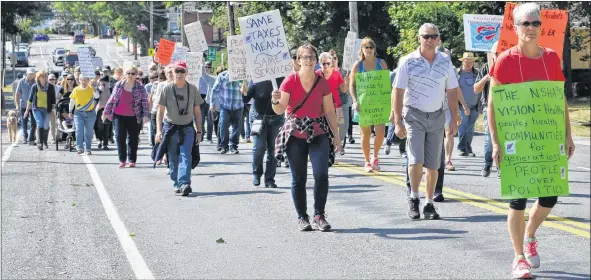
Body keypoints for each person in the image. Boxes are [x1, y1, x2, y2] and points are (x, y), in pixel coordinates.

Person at [487, 3, 575, 278]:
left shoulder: (551, 58)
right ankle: (519, 257)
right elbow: (492, 104)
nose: (532, 28)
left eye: (536, 23)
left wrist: (568, 134)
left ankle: (531, 233)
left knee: (550, 196)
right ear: (516, 27)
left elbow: (558, 98)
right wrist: (496, 142)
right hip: (516, 141)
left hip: (547, 139)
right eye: (526, 23)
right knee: (518, 199)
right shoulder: (506, 61)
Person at [392, 23, 460, 220]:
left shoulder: (445, 61)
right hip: (414, 114)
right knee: (416, 159)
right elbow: (398, 91)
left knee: (433, 164)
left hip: (437, 115)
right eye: (426, 36)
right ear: (419, 38)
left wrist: (454, 117)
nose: (430, 40)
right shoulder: (408, 61)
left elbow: (452, 90)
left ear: (438, 39)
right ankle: (414, 197)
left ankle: (429, 203)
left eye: (433, 36)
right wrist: (397, 121)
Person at [273, 44, 343, 232]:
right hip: (295, 132)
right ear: (298, 60)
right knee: (299, 178)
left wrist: (337, 137)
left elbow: (329, 111)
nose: (309, 61)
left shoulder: (322, 82)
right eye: (305, 58)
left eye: (312, 57)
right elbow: (280, 109)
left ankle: (319, 215)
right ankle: (302, 216)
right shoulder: (289, 82)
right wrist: (275, 100)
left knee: (321, 174)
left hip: (318, 130)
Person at [154, 61, 203, 196]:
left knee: (185, 156)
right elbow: (160, 111)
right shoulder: (166, 89)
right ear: (172, 73)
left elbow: (198, 112)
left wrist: (199, 131)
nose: (179, 74)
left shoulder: (192, 89)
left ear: (186, 73)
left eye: (182, 71)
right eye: (177, 71)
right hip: (171, 128)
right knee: (173, 158)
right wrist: (158, 130)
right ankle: (176, 181)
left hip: (187, 128)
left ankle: (184, 183)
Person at [349, 37, 389, 172]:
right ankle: (366, 161)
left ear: (374, 49)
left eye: (371, 47)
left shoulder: (381, 63)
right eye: (366, 47)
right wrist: (355, 101)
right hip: (364, 104)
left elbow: (387, 82)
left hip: (380, 103)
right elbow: (352, 85)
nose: (369, 49)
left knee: (380, 132)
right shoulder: (358, 66)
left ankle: (375, 156)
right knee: (365, 134)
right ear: (362, 49)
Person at [102, 66, 149, 167]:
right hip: (119, 115)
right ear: (125, 74)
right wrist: (105, 112)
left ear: (136, 75)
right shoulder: (119, 85)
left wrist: (145, 115)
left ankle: (132, 160)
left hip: (134, 116)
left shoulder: (140, 87)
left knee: (133, 138)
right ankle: (122, 160)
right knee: (119, 136)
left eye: (133, 74)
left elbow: (144, 101)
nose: (130, 76)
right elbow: (112, 99)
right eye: (128, 73)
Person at [244, 77, 285, 188]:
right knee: (259, 147)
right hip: (258, 118)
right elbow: (245, 99)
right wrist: (243, 91)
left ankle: (270, 179)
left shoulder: (283, 78)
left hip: (277, 119)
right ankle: (257, 173)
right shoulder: (257, 78)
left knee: (273, 150)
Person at [474, 42, 499, 178]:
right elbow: (476, 88)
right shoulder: (485, 67)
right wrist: (485, 79)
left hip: (506, 108)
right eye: (496, 53)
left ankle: (501, 167)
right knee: (490, 138)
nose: (498, 55)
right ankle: (487, 163)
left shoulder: (511, 65)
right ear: (491, 54)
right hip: (488, 108)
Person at [317, 51, 347, 154]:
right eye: (323, 63)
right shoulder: (316, 75)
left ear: (331, 63)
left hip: (337, 106)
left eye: (328, 63)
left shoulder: (336, 73)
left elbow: (343, 90)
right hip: (322, 108)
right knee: (327, 130)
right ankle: (332, 149)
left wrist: (346, 81)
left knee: (341, 128)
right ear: (319, 64)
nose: (325, 66)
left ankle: (337, 143)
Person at [210, 67, 244, 154]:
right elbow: (214, 90)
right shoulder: (222, 76)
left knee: (237, 127)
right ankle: (224, 146)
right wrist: (212, 104)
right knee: (224, 125)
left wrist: (245, 88)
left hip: (238, 105)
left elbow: (245, 92)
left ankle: (233, 146)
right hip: (225, 106)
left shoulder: (242, 75)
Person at [23, 71, 57, 150]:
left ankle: (45, 141)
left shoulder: (50, 87)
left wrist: (53, 110)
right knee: (40, 124)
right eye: (42, 76)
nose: (44, 78)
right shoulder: (35, 86)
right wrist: (27, 110)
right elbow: (30, 99)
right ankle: (40, 143)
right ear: (38, 78)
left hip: (47, 110)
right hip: (37, 109)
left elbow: (53, 100)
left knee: (46, 126)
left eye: (45, 76)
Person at [69, 73, 100, 155]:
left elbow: (97, 96)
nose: (83, 81)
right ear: (79, 80)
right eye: (82, 80)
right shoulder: (76, 90)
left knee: (88, 132)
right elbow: (72, 101)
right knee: (79, 130)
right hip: (79, 113)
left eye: (85, 80)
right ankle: (79, 148)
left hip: (90, 113)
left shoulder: (91, 88)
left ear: (88, 80)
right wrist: (70, 111)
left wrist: (94, 88)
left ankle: (88, 149)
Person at [456, 52, 480, 157]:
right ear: (463, 61)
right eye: (467, 61)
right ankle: (462, 148)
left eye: (471, 61)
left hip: (475, 105)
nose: (469, 64)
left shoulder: (477, 73)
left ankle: (468, 148)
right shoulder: (458, 73)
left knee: (470, 129)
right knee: (463, 126)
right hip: (462, 105)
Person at [14, 67, 38, 145]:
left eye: (33, 73)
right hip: (24, 105)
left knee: (34, 123)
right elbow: (17, 94)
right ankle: (25, 137)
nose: (31, 75)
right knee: (24, 122)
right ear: (27, 74)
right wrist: (17, 105)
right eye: (30, 73)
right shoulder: (21, 82)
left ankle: (31, 138)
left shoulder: (36, 82)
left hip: (34, 106)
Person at [199, 61, 216, 144]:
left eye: (209, 67)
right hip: (200, 100)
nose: (207, 68)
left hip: (209, 101)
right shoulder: (200, 77)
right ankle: (201, 135)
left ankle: (209, 138)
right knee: (201, 120)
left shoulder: (213, 78)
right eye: (206, 67)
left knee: (210, 121)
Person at [94, 75, 113, 150]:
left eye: (105, 82)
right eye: (102, 82)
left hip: (108, 110)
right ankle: (99, 140)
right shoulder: (97, 89)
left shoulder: (111, 89)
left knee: (107, 127)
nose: (103, 84)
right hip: (99, 110)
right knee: (99, 127)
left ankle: (105, 144)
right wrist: (100, 90)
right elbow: (96, 97)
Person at [48, 74, 62, 144]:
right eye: (50, 79)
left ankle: (59, 137)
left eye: (53, 79)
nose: (52, 81)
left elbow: (62, 97)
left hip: (58, 107)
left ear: (55, 80)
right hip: (51, 108)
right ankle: (54, 138)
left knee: (59, 123)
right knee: (53, 124)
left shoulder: (59, 88)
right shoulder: (46, 88)